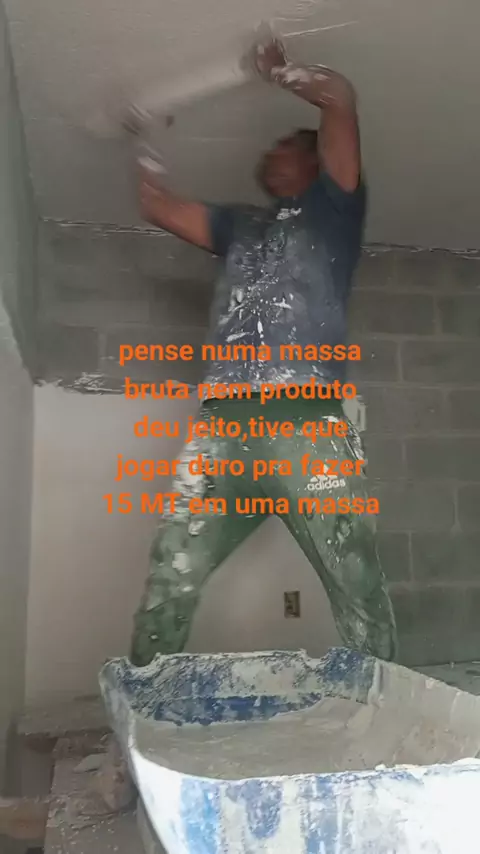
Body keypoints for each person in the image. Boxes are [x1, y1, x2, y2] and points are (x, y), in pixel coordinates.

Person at [130, 36, 397, 666]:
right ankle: (141, 701)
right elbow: (156, 206)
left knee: (354, 577)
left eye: (283, 145)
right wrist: (144, 140)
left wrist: (279, 70)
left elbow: (339, 99)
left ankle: (385, 702)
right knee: (171, 570)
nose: (268, 152)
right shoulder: (239, 225)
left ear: (312, 161)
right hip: (222, 429)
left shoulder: (333, 211)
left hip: (308, 423)